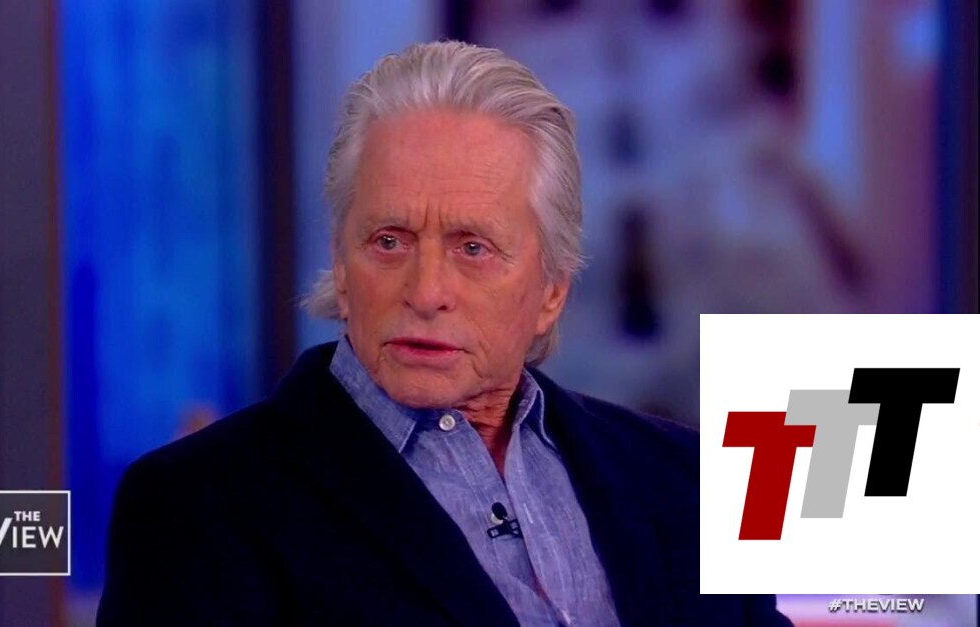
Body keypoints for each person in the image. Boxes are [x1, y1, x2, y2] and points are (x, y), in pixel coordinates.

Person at [97, 41, 792, 626]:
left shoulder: (686, 482)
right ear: (342, 265)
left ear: (551, 289)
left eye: (472, 248)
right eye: (389, 241)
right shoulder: (199, 508)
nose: (426, 291)